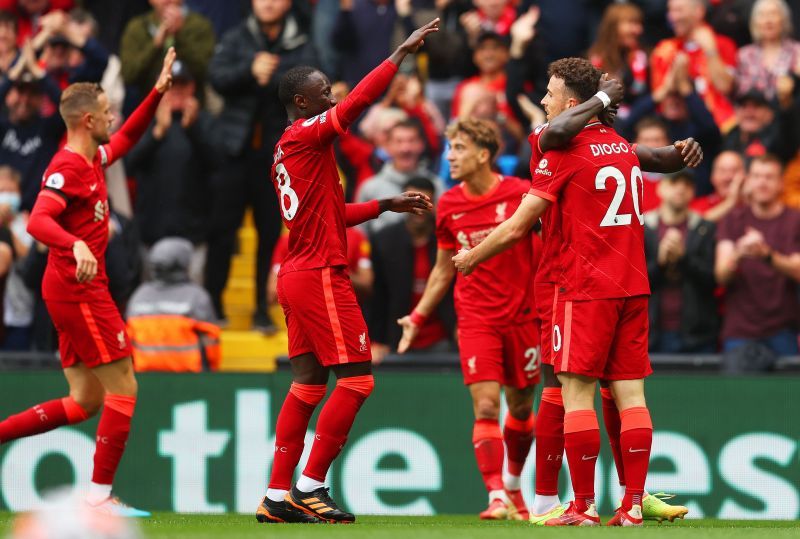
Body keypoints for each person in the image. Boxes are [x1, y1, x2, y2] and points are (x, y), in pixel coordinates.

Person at [453, 58, 701, 526]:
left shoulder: (559, 149)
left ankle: (581, 505)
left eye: (549, 94)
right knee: (631, 398)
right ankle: (630, 505)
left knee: (575, 395)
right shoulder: (620, 147)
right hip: (632, 285)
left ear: (572, 103)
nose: (543, 102)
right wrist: (681, 151)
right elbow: (657, 158)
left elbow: (519, 224)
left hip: (583, 287)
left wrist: (472, 256)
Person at [255, 19, 439, 525]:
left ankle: (275, 497)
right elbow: (356, 108)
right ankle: (312, 486)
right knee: (357, 382)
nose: (332, 100)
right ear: (302, 103)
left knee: (308, 385)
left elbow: (329, 212)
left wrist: (383, 204)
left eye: (330, 92)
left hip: (297, 270)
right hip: (317, 273)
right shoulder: (304, 137)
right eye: (323, 94)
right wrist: (398, 54)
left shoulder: (291, 150)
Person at [0, 48, 177, 517]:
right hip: (79, 289)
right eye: (105, 112)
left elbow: (130, 137)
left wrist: (157, 93)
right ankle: (98, 498)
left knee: (84, 401)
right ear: (84, 120)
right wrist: (73, 244)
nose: (112, 117)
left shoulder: (93, 156)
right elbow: (38, 220)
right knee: (125, 388)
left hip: (67, 289)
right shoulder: (66, 167)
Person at [397, 119, 539, 520]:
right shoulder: (449, 204)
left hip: (524, 316)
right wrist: (418, 316)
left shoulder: (520, 194)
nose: (450, 156)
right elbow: (444, 268)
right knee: (487, 406)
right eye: (449, 148)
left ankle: (513, 488)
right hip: (476, 318)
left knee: (522, 407)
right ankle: (496, 495)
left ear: (483, 154)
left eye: (458, 148)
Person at [205, 0, 318, 329]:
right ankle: (213, 303)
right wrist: (248, 71)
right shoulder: (236, 37)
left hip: (278, 158)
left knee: (270, 235)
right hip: (233, 152)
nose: (267, 3)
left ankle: (260, 308)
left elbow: (310, 88)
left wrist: (270, 77)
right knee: (222, 232)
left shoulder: (302, 42)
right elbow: (216, 77)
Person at [715, 154, 800, 356]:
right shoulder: (733, 219)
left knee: (788, 389)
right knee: (737, 388)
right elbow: (721, 275)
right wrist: (738, 254)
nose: (762, 183)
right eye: (757, 176)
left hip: (784, 330)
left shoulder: (795, 220)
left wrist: (767, 255)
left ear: (781, 183)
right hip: (740, 332)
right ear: (748, 181)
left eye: (769, 177)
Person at [370, 176, 455, 364]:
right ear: (402, 205)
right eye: (413, 203)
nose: (419, 210)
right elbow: (378, 294)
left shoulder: (450, 237)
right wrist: (376, 340)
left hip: (443, 338)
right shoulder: (384, 240)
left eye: (424, 203)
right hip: (395, 337)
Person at [644, 171, 718, 353]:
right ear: (660, 188)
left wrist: (683, 258)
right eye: (674, 182)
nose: (680, 188)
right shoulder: (642, 228)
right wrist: (660, 263)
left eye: (687, 184)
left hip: (697, 335)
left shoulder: (704, 228)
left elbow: (712, 280)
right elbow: (630, 283)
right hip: (649, 334)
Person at [126, 237, 220, 372]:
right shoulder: (197, 297)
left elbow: (127, 343)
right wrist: (209, 374)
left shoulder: (139, 296)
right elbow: (211, 343)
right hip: (190, 378)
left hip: (143, 377)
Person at [650, 0, 737, 131]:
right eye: (670, 11)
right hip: (678, 130)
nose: (672, 17)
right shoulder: (664, 50)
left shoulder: (722, 44)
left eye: (679, 10)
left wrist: (710, 51)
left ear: (699, 11)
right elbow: (661, 102)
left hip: (719, 128)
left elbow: (725, 87)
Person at [356, 119, 442, 235]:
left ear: (421, 144)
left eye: (411, 141)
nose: (405, 148)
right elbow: (359, 235)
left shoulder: (436, 185)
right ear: (387, 146)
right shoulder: (370, 188)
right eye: (399, 141)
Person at [120, 0, 215, 103]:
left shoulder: (199, 26)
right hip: (150, 107)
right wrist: (155, 46)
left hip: (193, 106)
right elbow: (128, 76)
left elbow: (208, 72)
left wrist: (179, 35)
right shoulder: (137, 28)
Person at [735, 0, 800, 101]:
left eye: (773, 14)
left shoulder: (797, 51)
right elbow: (741, 94)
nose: (768, 21)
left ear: (783, 19)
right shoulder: (744, 55)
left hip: (789, 113)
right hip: (754, 113)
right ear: (755, 22)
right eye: (762, 15)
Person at [587, 2, 649, 109]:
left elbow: (641, 94)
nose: (639, 30)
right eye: (631, 23)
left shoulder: (641, 58)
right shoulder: (594, 61)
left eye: (639, 24)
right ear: (613, 27)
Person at [690, 150, 745, 222]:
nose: (728, 177)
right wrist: (731, 201)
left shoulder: (755, 204)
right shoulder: (698, 206)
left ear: (745, 175)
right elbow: (697, 226)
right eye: (722, 171)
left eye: (734, 170)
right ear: (712, 177)